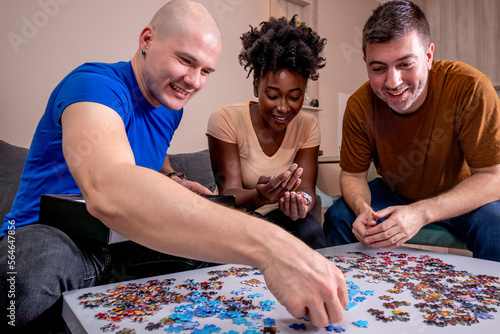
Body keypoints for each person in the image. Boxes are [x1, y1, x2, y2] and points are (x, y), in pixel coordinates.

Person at [0, 1, 348, 332]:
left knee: (220, 258)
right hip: (50, 235)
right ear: (147, 40)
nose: (195, 81)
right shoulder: (92, 85)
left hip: (123, 240)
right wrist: (273, 246)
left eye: (206, 71)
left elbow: (141, 151)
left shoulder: (170, 107)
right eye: (185, 60)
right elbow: (109, 189)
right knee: (31, 270)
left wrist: (172, 178)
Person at [323, 0, 500, 261]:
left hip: (462, 194)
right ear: (366, 63)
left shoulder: (471, 87)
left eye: (405, 64)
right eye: (378, 68)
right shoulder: (359, 106)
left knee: (495, 227)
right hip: (393, 193)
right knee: (340, 217)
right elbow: (352, 175)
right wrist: (362, 209)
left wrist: (421, 212)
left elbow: (493, 178)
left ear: (428, 57)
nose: (393, 82)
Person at [207, 16, 327, 249]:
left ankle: (330, 284)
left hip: (280, 218)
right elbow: (228, 193)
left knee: (310, 230)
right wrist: (260, 196)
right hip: (236, 217)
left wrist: (302, 202)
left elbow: (307, 190)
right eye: (272, 96)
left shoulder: (307, 125)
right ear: (255, 86)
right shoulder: (225, 119)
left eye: (294, 97)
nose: (283, 108)